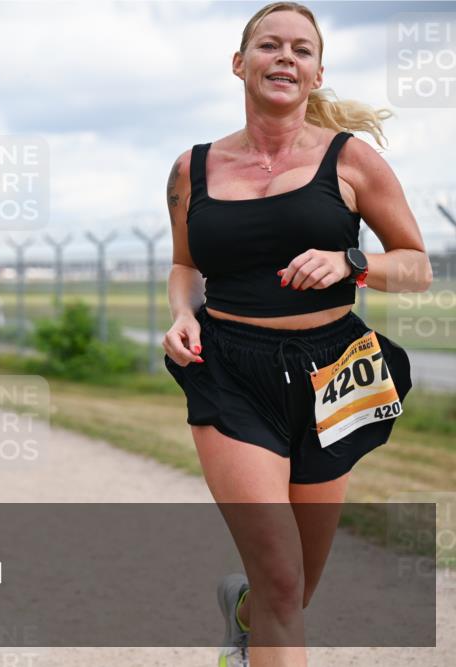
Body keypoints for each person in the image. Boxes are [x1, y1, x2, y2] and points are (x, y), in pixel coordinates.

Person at [161, 3, 432, 666]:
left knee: (296, 587)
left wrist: (353, 261)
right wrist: (181, 312)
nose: (285, 56)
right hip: (229, 370)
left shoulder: (351, 160)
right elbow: (185, 262)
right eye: (270, 45)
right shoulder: (191, 168)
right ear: (240, 63)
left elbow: (417, 266)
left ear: (315, 75)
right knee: (283, 578)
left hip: (332, 373)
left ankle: (243, 613)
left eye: (302, 50)